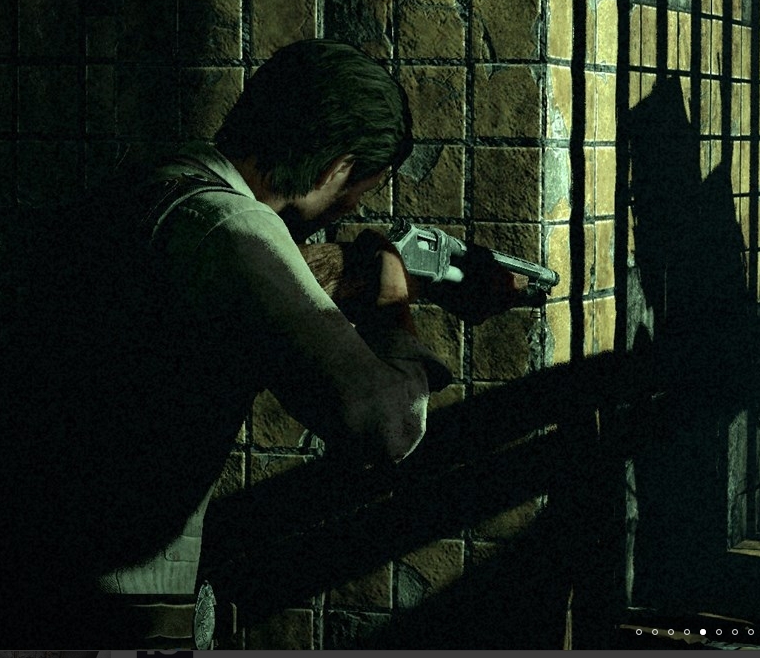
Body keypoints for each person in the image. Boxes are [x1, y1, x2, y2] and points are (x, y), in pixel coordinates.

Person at [1, 39, 511, 646]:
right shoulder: (233, 227)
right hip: (105, 602)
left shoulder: (157, 185)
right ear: (335, 167)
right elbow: (383, 425)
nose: (350, 205)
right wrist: (392, 298)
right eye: (359, 188)